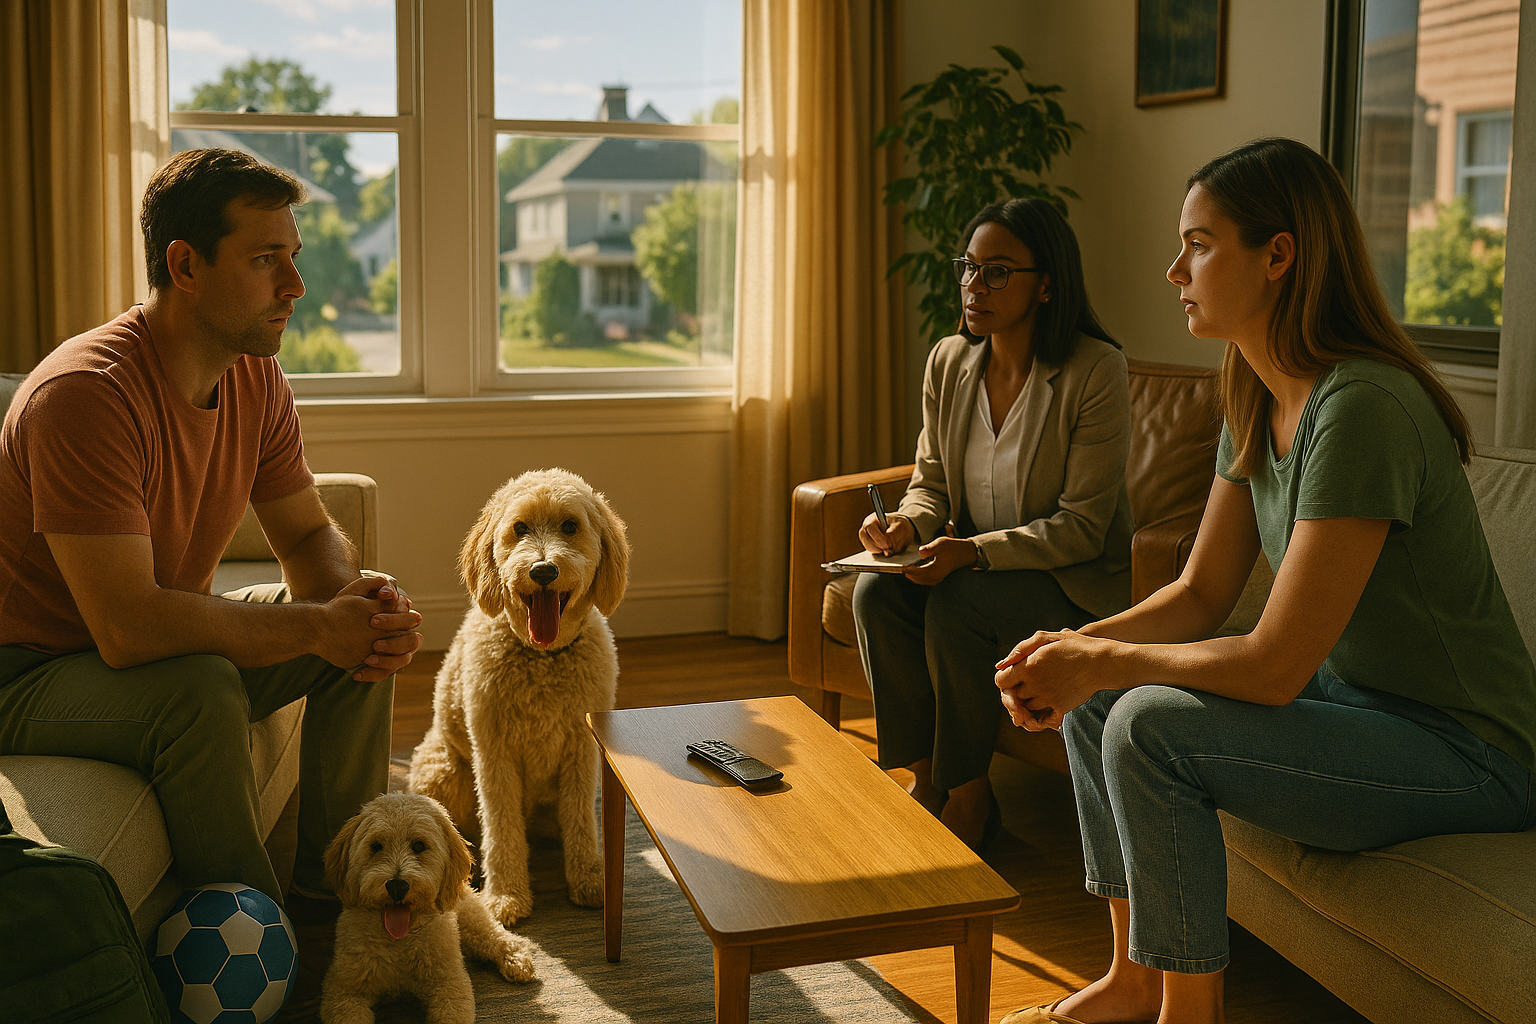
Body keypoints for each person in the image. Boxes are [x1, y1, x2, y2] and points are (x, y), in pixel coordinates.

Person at [993, 137, 1536, 1024]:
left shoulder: (1362, 406)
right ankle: (1133, 982)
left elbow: (1276, 664)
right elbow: (1201, 594)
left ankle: (1190, 1016)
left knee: (1144, 719)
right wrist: (1077, 646)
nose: (1175, 269)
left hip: (1468, 751)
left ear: (1278, 254)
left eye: (1200, 244)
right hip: (1359, 706)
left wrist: (1106, 663)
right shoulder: (1253, 388)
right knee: (1100, 698)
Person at [0, 148, 424, 910]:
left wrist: (347, 612)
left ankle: (346, 897)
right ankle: (260, 935)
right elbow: (128, 628)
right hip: (28, 670)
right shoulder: (86, 397)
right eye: (267, 261)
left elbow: (303, 534)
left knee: (370, 610)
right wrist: (314, 629)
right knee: (196, 690)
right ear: (186, 265)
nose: (296, 286)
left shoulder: (252, 370)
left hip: (144, 639)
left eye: (292, 258)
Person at [852, 197, 1133, 851]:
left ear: (1047, 284)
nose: (975, 286)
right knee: (878, 590)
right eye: (969, 268)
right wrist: (905, 529)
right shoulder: (950, 361)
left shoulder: (1095, 370)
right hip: (973, 568)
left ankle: (970, 797)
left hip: (1071, 583)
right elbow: (932, 486)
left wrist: (968, 554)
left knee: (958, 602)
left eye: (998, 271)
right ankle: (928, 779)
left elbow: (1082, 528)